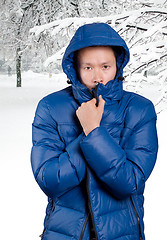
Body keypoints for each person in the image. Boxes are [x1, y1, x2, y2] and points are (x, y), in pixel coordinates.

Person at [31, 22, 158, 240]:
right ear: (75, 68)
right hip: (62, 233)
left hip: (122, 233)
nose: (97, 76)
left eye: (105, 66)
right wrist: (90, 134)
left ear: (118, 65)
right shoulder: (50, 107)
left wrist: (95, 130)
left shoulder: (139, 109)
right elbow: (49, 179)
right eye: (88, 67)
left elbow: (130, 182)